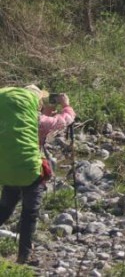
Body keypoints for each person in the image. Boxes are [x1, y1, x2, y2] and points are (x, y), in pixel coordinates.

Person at [0, 86, 52, 265]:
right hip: (30, 172)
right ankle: (23, 256)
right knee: (29, 213)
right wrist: (66, 106)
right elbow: (64, 120)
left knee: (5, 208)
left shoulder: (8, 117)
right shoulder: (41, 120)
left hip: (7, 170)